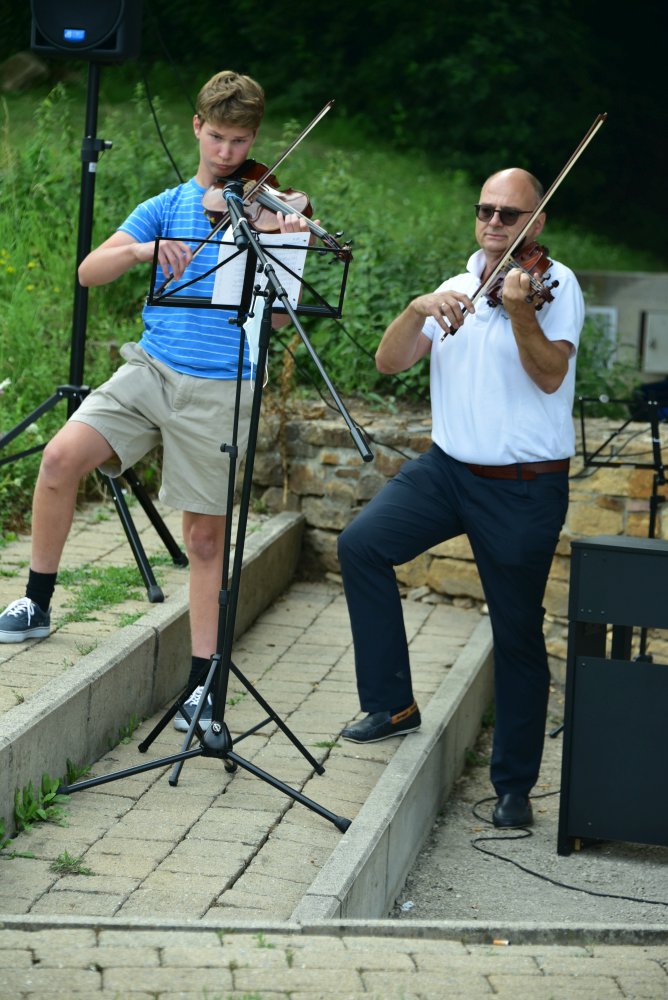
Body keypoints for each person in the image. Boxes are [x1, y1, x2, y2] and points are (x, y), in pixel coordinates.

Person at [0, 70, 307, 731]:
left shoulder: (272, 211)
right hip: (152, 369)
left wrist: (276, 238)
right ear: (198, 128)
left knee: (203, 539)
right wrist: (141, 251)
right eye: (217, 138)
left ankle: (200, 686)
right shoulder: (166, 205)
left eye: (239, 142)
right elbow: (88, 271)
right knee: (58, 460)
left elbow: (281, 322)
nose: (227, 155)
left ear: (255, 139)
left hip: (224, 383)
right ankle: (37, 602)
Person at [337, 167, 584, 829]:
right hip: (448, 471)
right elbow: (390, 363)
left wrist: (520, 311)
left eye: (511, 214)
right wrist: (416, 308)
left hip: (524, 486)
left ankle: (514, 789)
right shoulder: (454, 288)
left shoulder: (554, 289)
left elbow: (550, 372)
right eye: (487, 212)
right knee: (361, 545)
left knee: (516, 634)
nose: (496, 223)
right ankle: (391, 705)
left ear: (537, 223)